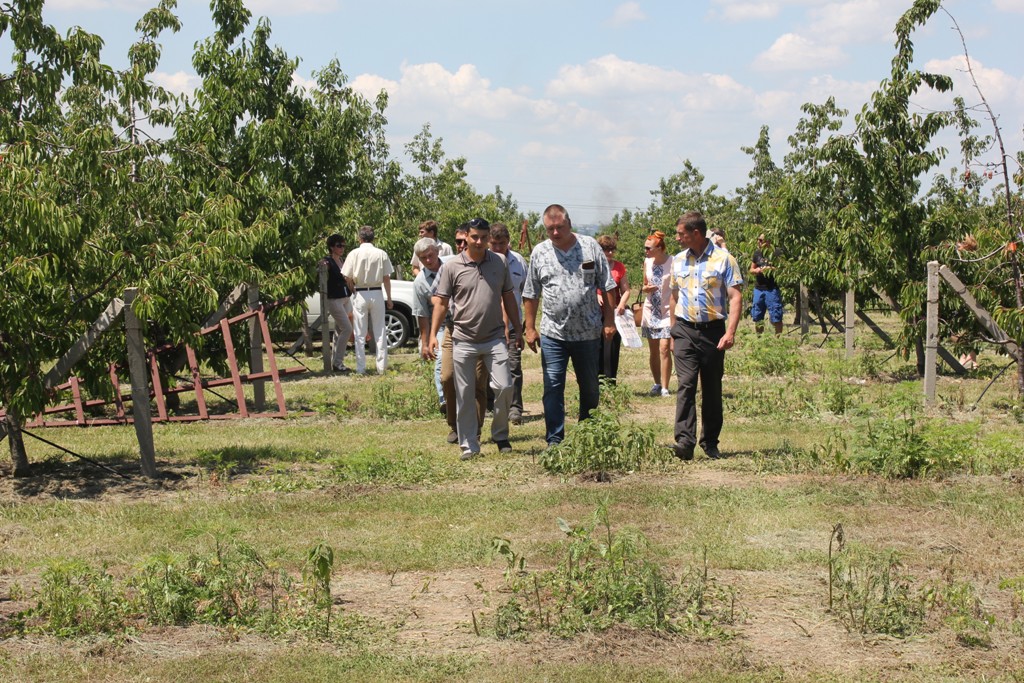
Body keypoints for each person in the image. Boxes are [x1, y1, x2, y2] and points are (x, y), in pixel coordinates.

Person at [523, 204, 617, 448]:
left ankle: (587, 436)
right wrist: (530, 328)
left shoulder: (589, 246)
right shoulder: (540, 252)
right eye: (550, 229)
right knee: (553, 386)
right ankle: (555, 441)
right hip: (553, 334)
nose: (555, 233)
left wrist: (609, 321)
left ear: (569, 224)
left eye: (559, 227)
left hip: (588, 333)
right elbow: (531, 293)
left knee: (590, 387)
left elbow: (608, 286)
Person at [428, 218, 523, 460]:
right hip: (463, 339)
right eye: (474, 237)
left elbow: (508, 297)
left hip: (494, 338)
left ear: (488, 238)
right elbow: (441, 303)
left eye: (483, 237)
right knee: (465, 394)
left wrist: (519, 330)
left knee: (504, 386)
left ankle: (500, 434)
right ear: (467, 237)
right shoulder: (452, 266)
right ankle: (469, 446)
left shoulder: (499, 262)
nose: (479, 242)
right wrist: (432, 335)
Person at [670, 211, 743, 461]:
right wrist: (672, 331)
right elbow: (673, 297)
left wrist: (730, 332)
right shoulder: (678, 260)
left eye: (681, 234)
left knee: (711, 388)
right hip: (684, 329)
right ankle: (684, 442)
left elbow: (735, 297)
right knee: (686, 383)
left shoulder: (724, 259)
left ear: (696, 233)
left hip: (713, 332)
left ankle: (710, 442)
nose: (677, 238)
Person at [438, 224, 488, 444]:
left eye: (462, 241)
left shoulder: (490, 263)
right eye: (457, 241)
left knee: (476, 382)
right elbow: (438, 298)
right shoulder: (448, 266)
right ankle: (455, 425)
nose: (461, 245)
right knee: (448, 378)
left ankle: (474, 429)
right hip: (453, 329)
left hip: (482, 331)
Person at [487, 223, 528, 425]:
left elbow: (527, 292)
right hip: (488, 326)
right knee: (487, 368)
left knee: (513, 367)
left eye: (501, 244)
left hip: (513, 325)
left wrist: (525, 324)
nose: (497, 248)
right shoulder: (482, 261)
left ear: (508, 242)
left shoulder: (519, 262)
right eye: (493, 244)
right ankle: (489, 405)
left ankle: (515, 408)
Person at [341, 225, 394, 375]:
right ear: (373, 238)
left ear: (360, 238)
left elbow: (346, 276)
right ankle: (381, 367)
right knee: (380, 330)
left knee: (359, 331)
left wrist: (353, 288)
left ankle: (361, 368)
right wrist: (389, 297)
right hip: (377, 292)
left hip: (360, 292)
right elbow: (386, 278)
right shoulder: (381, 253)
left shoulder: (354, 253)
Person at [411, 238, 445, 407]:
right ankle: (444, 400)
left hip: (465, 320)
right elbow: (422, 315)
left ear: (437, 251)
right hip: (441, 326)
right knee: (440, 359)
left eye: (430, 255)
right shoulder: (420, 282)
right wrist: (425, 344)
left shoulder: (452, 265)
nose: (428, 260)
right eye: (423, 258)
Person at [641, 231, 673, 396]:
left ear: (660, 248)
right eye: (645, 248)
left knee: (664, 348)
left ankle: (665, 388)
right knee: (653, 350)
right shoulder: (647, 262)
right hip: (650, 311)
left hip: (667, 311)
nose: (646, 251)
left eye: (649, 248)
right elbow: (644, 285)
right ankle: (657, 383)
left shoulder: (673, 262)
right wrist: (646, 288)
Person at [596, 234, 630, 382]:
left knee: (612, 349)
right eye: (606, 249)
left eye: (612, 250)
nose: (610, 253)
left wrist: (622, 303)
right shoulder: (593, 266)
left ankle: (610, 382)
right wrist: (596, 295)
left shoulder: (619, 267)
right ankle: (597, 381)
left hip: (614, 313)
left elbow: (626, 290)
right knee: (597, 348)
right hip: (596, 314)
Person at [321, 234, 354, 374]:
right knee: (347, 329)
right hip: (334, 299)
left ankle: (336, 361)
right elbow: (321, 269)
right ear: (331, 247)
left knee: (340, 330)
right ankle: (338, 363)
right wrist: (322, 265)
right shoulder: (327, 261)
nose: (342, 248)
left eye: (343, 246)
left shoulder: (342, 260)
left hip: (346, 297)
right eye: (339, 245)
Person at [750, 233, 783, 335]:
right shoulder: (757, 253)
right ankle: (759, 339)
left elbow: (782, 269)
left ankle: (778, 340)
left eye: (761, 240)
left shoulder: (776, 253)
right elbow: (751, 269)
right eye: (758, 239)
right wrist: (757, 270)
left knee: (776, 316)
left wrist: (770, 268)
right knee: (757, 316)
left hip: (772, 289)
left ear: (768, 241)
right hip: (758, 289)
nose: (758, 242)